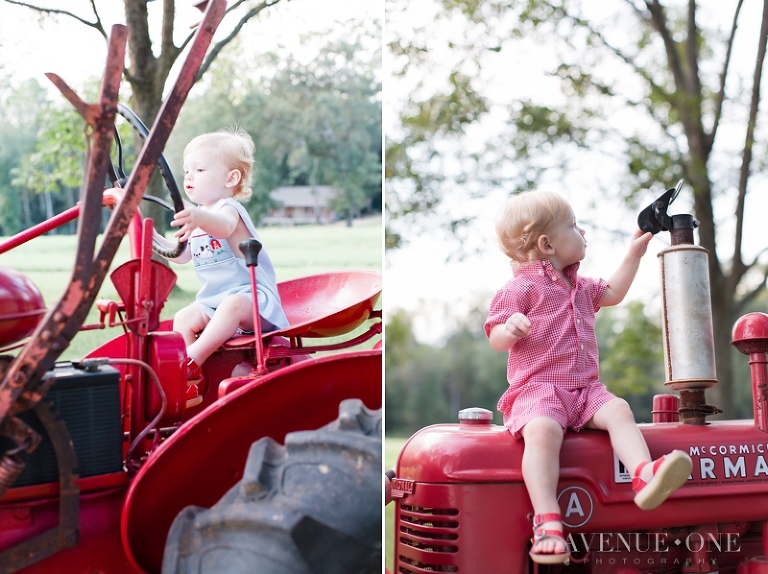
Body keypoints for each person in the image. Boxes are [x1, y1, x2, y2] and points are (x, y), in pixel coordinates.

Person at [484, 191, 692, 565]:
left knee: (619, 410)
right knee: (544, 432)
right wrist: (510, 329)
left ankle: (643, 476)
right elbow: (496, 335)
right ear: (547, 244)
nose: (583, 232)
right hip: (539, 391)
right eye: (574, 226)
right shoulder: (521, 289)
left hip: (584, 391)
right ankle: (547, 521)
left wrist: (633, 254)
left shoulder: (580, 286)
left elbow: (612, 293)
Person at [155, 127, 289, 382]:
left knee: (233, 303)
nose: (189, 176)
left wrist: (199, 218)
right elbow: (182, 256)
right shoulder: (200, 215)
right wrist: (146, 233)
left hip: (254, 302)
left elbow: (224, 227)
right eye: (186, 171)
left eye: (200, 170)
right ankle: (193, 382)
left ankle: (191, 359)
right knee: (184, 317)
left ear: (231, 178)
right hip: (215, 303)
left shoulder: (228, 210)